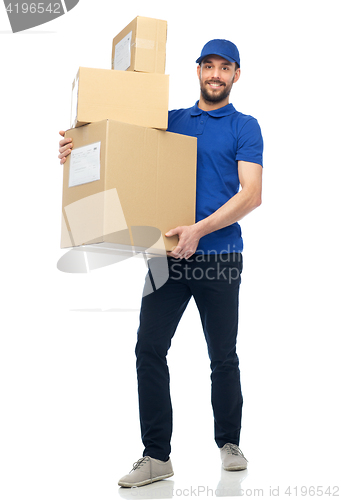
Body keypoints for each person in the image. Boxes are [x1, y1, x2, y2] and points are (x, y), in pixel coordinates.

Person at [58, 39, 263, 489]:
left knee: (222, 356)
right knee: (148, 350)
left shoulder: (245, 127)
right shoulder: (171, 121)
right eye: (207, 66)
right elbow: (118, 142)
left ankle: (229, 443)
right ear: (198, 72)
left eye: (224, 68)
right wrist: (79, 145)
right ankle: (156, 456)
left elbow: (251, 194)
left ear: (235, 75)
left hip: (219, 257)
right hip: (166, 257)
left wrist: (198, 231)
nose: (215, 74)